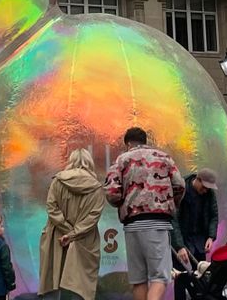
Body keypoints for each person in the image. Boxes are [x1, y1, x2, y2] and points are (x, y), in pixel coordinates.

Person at [105, 127, 185, 300]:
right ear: (145, 141)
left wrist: (123, 203)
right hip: (157, 223)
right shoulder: (164, 158)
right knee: (160, 276)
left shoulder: (121, 160)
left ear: (128, 143)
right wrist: (170, 204)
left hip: (132, 225)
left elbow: (111, 192)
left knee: (138, 279)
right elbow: (180, 185)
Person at [40, 148, 104, 300]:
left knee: (54, 281)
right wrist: (73, 233)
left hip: (56, 236)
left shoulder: (58, 181)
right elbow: (93, 217)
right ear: (90, 163)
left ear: (70, 161)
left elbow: (51, 207)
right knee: (80, 286)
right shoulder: (96, 187)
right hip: (84, 240)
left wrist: (66, 231)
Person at [175, 168, 219, 267]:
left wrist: (211, 237)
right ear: (198, 180)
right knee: (182, 274)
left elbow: (213, 215)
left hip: (199, 241)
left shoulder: (209, 194)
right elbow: (174, 219)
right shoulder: (182, 189)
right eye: (204, 187)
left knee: (200, 273)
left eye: (207, 188)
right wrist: (179, 245)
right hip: (184, 239)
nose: (205, 191)